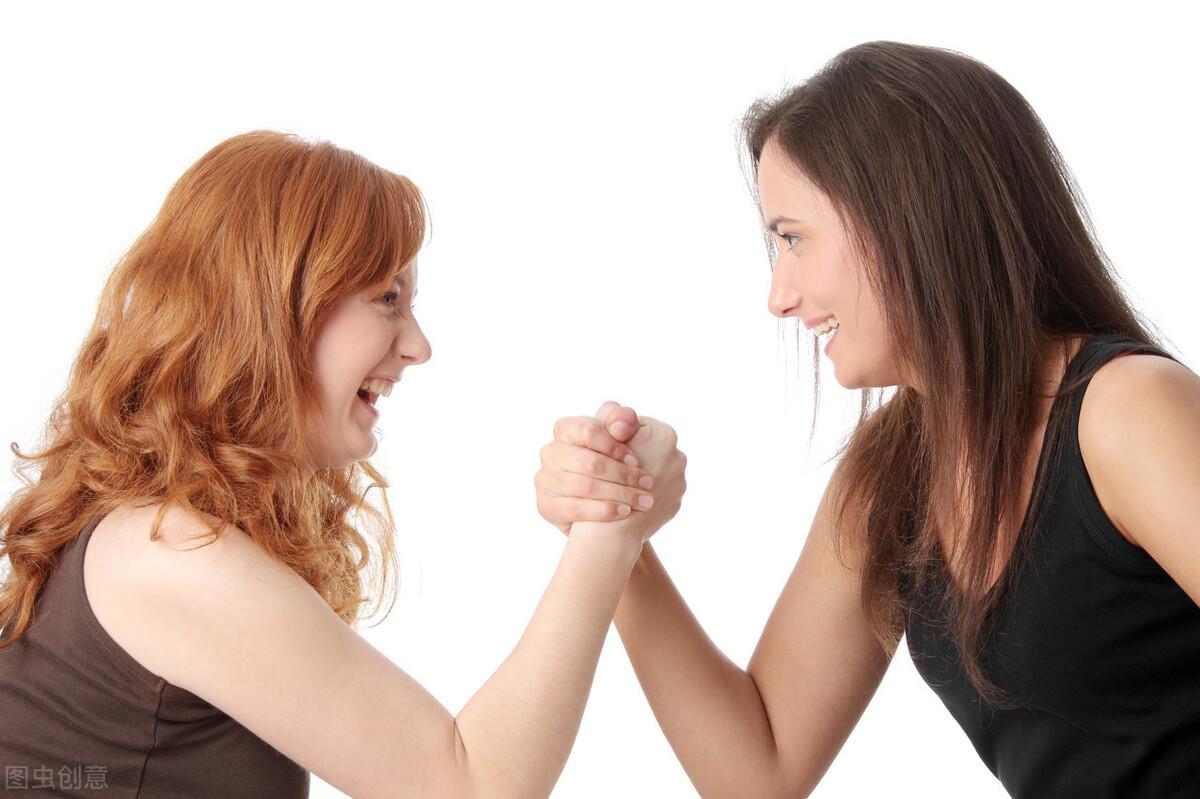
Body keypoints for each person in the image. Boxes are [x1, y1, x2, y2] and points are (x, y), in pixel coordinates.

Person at [534, 41, 1200, 797]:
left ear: (908, 218)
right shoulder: (891, 477)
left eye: (793, 238)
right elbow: (758, 772)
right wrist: (615, 535)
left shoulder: (1128, 411)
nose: (779, 296)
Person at [0, 131, 686, 798]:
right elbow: (471, 787)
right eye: (388, 299)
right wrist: (610, 529)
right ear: (270, 308)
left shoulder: (148, 536)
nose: (418, 345)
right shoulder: (170, 552)